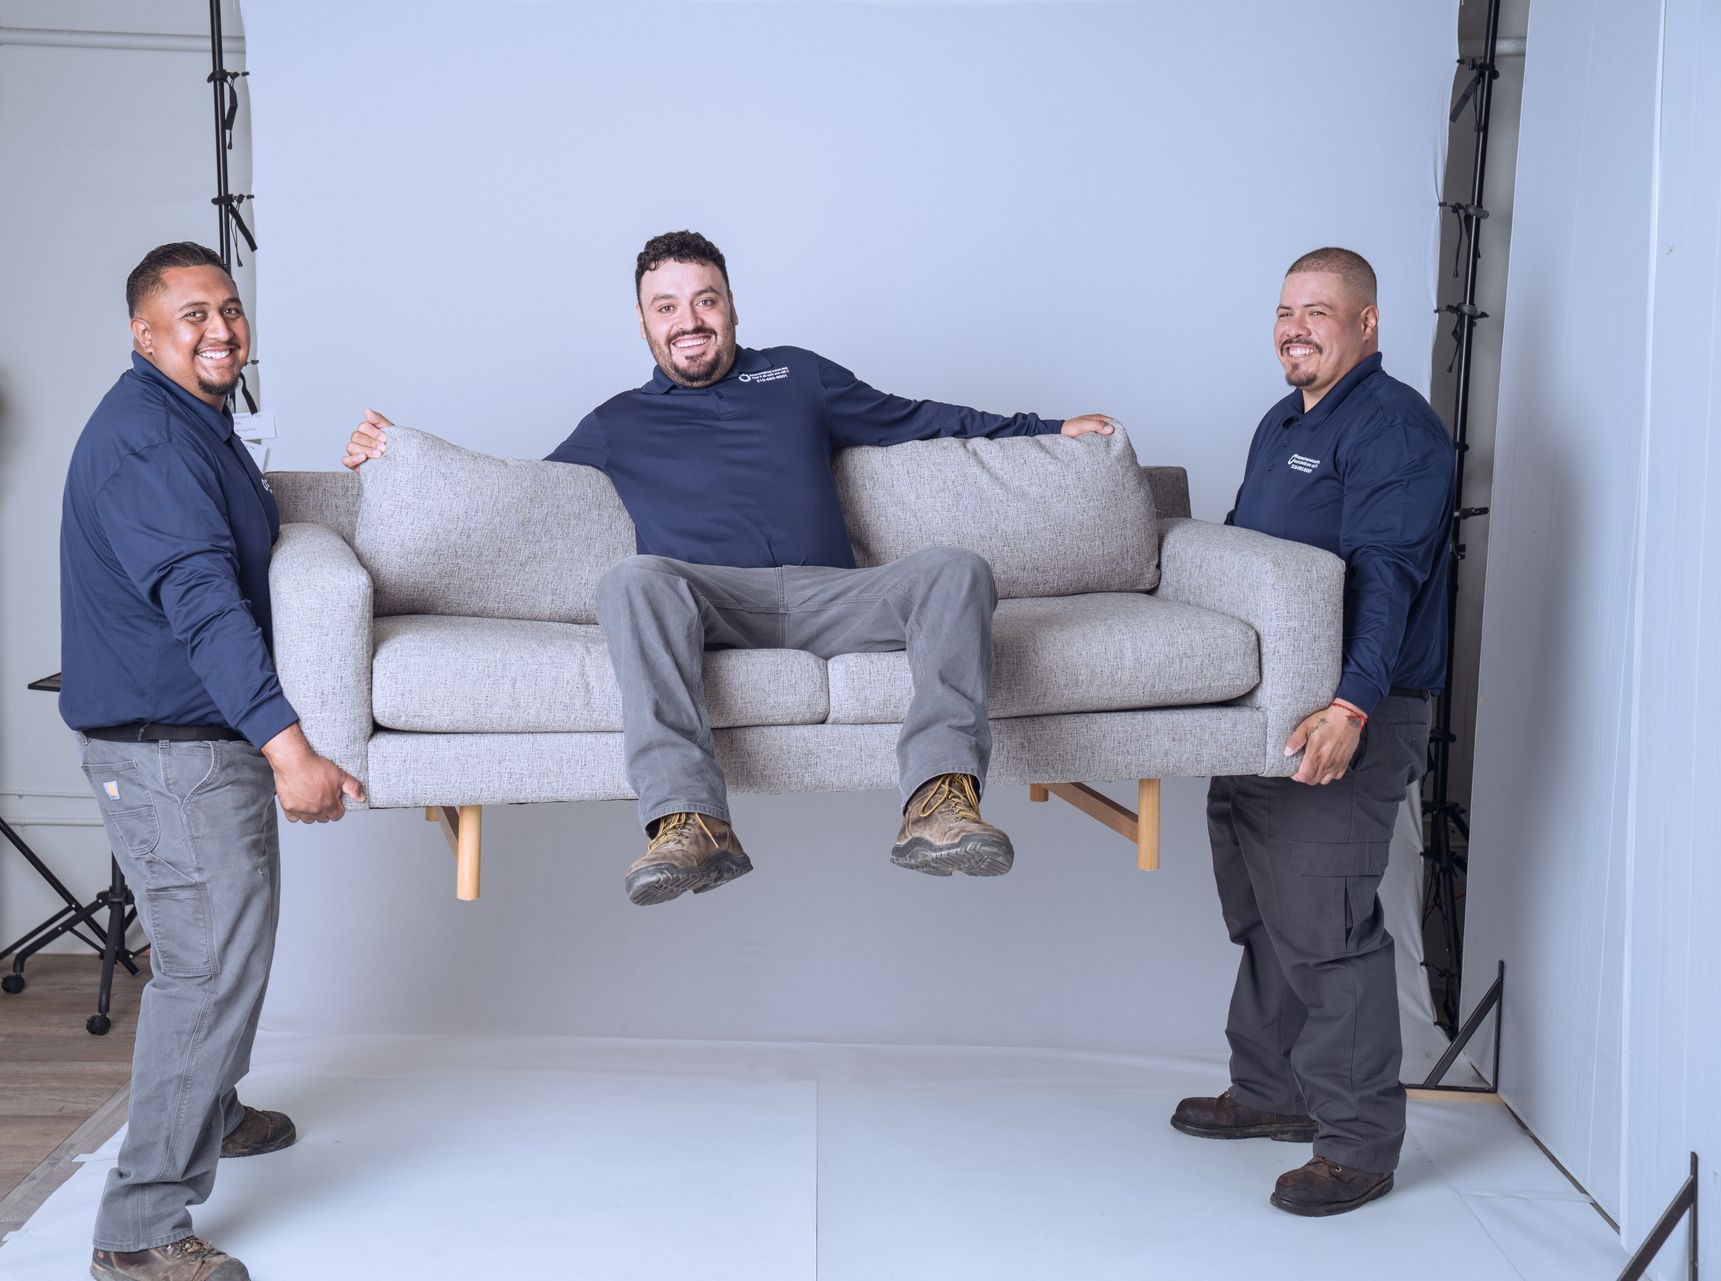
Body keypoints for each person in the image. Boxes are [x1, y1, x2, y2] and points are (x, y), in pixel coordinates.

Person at [345, 230, 1117, 906]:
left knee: (956, 568)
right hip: (712, 606)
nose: (689, 320)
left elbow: (918, 418)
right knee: (632, 576)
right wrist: (398, 457)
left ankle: (940, 802)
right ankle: (691, 822)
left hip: (833, 595)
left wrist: (1045, 430)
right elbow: (514, 496)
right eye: (667, 306)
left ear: (733, 307)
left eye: (705, 299)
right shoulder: (619, 421)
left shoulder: (795, 376)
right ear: (644, 324)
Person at [61, 241, 362, 1281]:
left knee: (227, 952)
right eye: (192, 314)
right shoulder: (149, 438)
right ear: (143, 333)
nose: (221, 329)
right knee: (208, 969)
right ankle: (139, 1230)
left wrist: (375, 478)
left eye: (229, 309)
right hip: (169, 752)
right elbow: (203, 602)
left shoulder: (195, 423)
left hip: (189, 743)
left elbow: (255, 540)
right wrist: (292, 749)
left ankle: (212, 1109)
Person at [1168, 248, 1453, 1217]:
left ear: (1368, 324)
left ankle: (1360, 1146)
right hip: (1264, 718)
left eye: (1319, 312)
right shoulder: (1283, 421)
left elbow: (1388, 578)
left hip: (1346, 716)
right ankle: (1271, 1093)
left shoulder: (1395, 430)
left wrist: (1350, 707)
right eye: (1286, 310)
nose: (1295, 326)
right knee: (1266, 917)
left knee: (1324, 927)